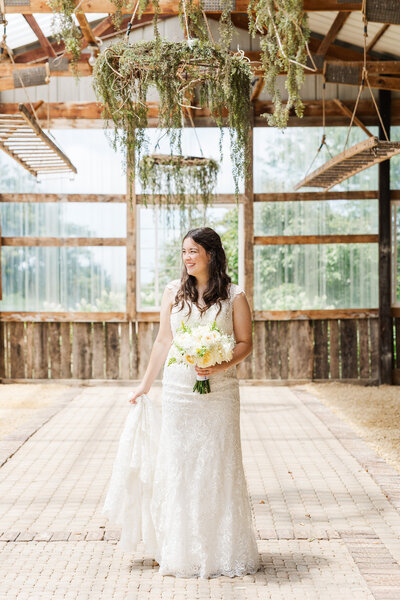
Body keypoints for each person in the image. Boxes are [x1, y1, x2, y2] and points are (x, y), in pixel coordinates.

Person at [110, 226, 260, 579]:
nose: (187, 257)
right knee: (180, 464)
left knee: (217, 464)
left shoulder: (234, 296)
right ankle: (178, 548)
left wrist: (217, 364)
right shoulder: (174, 293)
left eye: (193, 251)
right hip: (178, 390)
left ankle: (221, 549)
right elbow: (164, 342)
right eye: (184, 252)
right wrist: (145, 386)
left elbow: (244, 343)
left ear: (210, 253)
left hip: (219, 392)